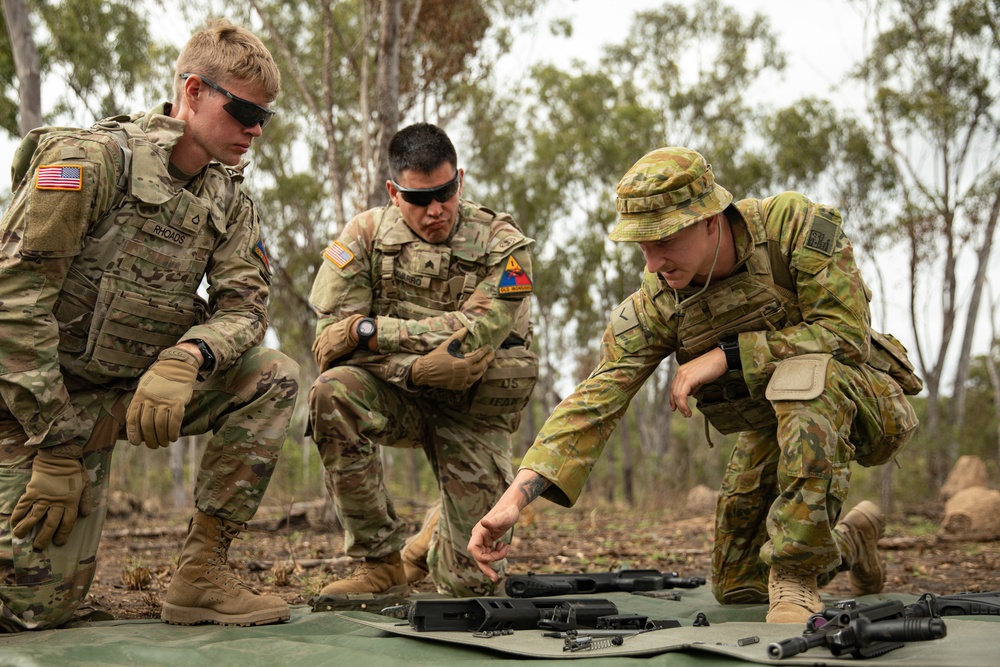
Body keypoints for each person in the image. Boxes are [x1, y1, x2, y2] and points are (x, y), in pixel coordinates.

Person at [468, 147, 921, 623]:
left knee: (805, 379)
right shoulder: (659, 302)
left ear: (710, 220)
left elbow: (846, 335)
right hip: (773, 428)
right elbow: (596, 399)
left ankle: (796, 574)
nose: (653, 262)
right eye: (641, 245)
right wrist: (514, 499)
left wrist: (729, 356)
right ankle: (851, 542)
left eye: (664, 240)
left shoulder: (793, 227)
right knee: (736, 586)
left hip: (866, 406)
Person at [0, 18, 299, 631]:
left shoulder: (230, 199)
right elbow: (14, 301)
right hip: (31, 406)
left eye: (264, 116)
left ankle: (202, 573)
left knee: (273, 376)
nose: (254, 129)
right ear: (192, 91)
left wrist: (190, 356)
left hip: (129, 399)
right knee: (29, 609)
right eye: (243, 108)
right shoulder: (87, 162)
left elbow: (246, 306)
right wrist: (54, 443)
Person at [308, 122, 536, 598]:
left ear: (460, 179)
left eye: (446, 191)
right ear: (393, 192)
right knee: (331, 393)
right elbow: (330, 342)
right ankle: (381, 563)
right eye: (418, 198)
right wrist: (409, 369)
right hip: (398, 397)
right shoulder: (361, 238)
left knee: (470, 588)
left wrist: (373, 330)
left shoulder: (504, 245)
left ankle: (426, 547)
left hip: (471, 411)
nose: (436, 209)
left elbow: (480, 330)